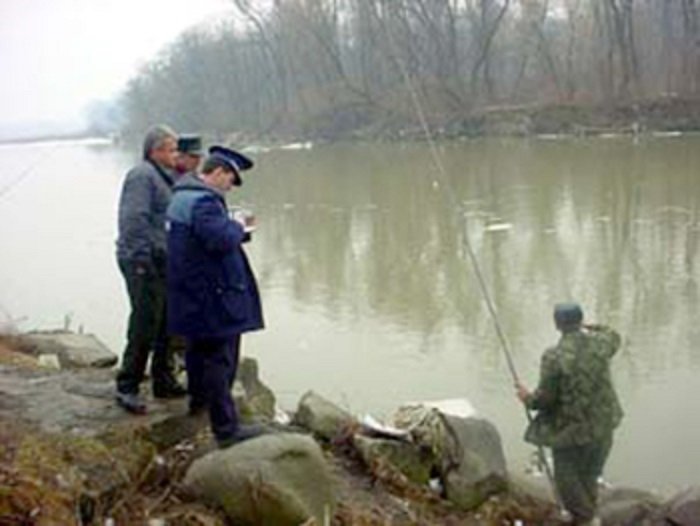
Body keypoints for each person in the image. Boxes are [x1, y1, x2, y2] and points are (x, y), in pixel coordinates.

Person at [166, 145, 265, 447]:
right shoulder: (204, 202)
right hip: (214, 298)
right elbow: (220, 238)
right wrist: (237, 226)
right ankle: (227, 429)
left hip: (192, 294)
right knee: (220, 361)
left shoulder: (180, 195)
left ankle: (199, 404)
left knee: (198, 353)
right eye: (231, 179)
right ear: (219, 171)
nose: (230, 186)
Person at [516, 303, 623, 526]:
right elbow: (613, 334)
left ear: (557, 325)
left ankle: (587, 519)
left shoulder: (554, 357)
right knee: (590, 475)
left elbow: (544, 401)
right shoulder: (601, 344)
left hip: (571, 432)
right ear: (580, 320)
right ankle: (588, 515)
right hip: (603, 425)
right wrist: (588, 326)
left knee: (566, 480)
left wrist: (526, 397)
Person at [115, 124, 187, 414]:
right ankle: (127, 385)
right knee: (145, 321)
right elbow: (133, 219)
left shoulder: (165, 177)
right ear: (155, 151)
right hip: (141, 260)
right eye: (171, 149)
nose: (176, 154)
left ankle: (163, 379)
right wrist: (141, 259)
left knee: (167, 321)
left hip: (162, 259)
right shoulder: (141, 176)